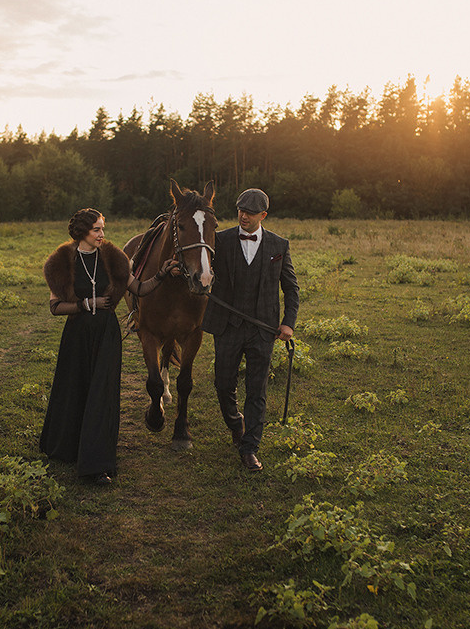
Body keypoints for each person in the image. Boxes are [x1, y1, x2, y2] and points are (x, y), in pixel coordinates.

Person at [40, 208, 177, 485]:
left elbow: (138, 288)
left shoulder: (114, 258)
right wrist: (85, 305)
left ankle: (97, 463)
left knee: (103, 393)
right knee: (74, 387)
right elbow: (55, 307)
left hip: (106, 334)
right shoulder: (61, 261)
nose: (102, 234)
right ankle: (66, 448)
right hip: (77, 333)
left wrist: (161, 275)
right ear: (82, 232)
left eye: (103, 228)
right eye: (97, 230)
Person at [201, 189, 299, 472]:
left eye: (250, 212)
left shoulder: (279, 245)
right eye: (240, 210)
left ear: (263, 216)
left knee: (257, 390)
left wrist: (288, 323)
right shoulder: (221, 240)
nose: (243, 216)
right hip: (228, 327)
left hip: (262, 329)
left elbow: (291, 288)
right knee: (222, 384)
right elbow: (201, 266)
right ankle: (235, 422)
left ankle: (250, 448)